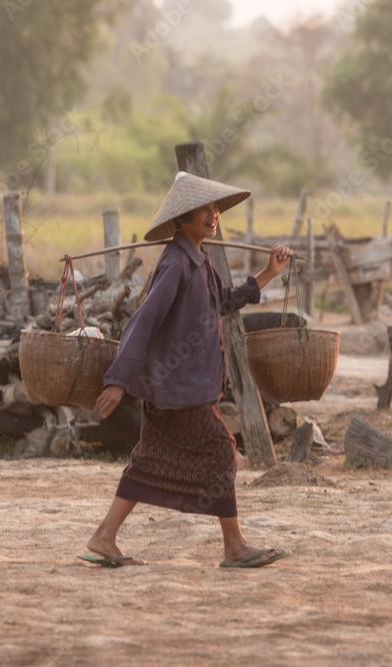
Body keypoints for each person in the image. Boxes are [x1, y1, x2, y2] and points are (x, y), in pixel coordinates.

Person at [81, 171, 294, 569]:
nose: (213, 214)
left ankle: (104, 536)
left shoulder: (199, 259)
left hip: (177, 389)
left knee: (149, 460)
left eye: (215, 208)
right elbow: (142, 322)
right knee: (221, 449)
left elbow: (221, 304)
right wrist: (117, 380)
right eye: (204, 209)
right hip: (178, 389)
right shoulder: (177, 263)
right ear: (181, 219)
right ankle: (234, 547)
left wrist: (267, 274)